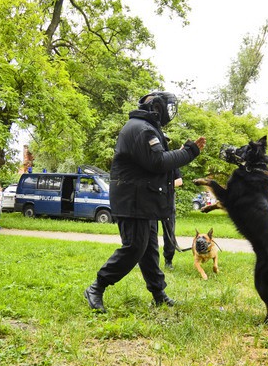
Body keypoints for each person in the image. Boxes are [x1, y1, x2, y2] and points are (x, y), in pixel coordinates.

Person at [84, 91, 205, 312]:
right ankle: (96, 287)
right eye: (167, 108)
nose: (170, 113)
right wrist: (190, 152)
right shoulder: (141, 129)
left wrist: (181, 154)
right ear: (156, 109)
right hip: (133, 202)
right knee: (135, 248)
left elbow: (155, 163)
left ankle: (158, 294)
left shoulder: (145, 128)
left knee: (149, 250)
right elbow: (157, 162)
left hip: (142, 201)